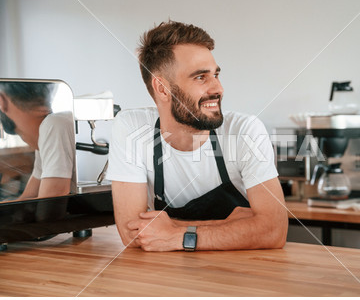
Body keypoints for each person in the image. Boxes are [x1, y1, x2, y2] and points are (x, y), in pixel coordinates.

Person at [107, 21, 288, 252]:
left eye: (216, 74)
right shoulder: (132, 127)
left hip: (244, 277)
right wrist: (235, 225)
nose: (218, 88)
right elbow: (132, 233)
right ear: (162, 88)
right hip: (168, 277)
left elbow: (273, 230)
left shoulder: (245, 130)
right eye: (201, 77)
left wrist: (175, 234)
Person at [0, 82, 76, 200]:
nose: (26, 141)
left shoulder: (53, 125)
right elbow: (28, 197)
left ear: (2, 101)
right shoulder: (47, 130)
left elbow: (50, 204)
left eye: (20, 134)